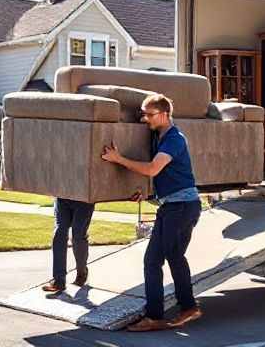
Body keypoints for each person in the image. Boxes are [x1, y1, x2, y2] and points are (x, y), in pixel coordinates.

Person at [101, 93, 203, 332]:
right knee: (152, 260)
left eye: (149, 114)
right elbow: (164, 177)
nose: (145, 119)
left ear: (164, 114)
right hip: (171, 206)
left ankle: (189, 307)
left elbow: (152, 169)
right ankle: (155, 316)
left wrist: (118, 159)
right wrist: (148, 196)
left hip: (183, 207)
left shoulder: (174, 139)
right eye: (143, 114)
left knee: (174, 255)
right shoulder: (159, 137)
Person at [41, 198, 95, 293]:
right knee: (59, 233)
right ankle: (59, 281)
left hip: (84, 201)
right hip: (63, 197)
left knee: (78, 236)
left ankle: (82, 271)